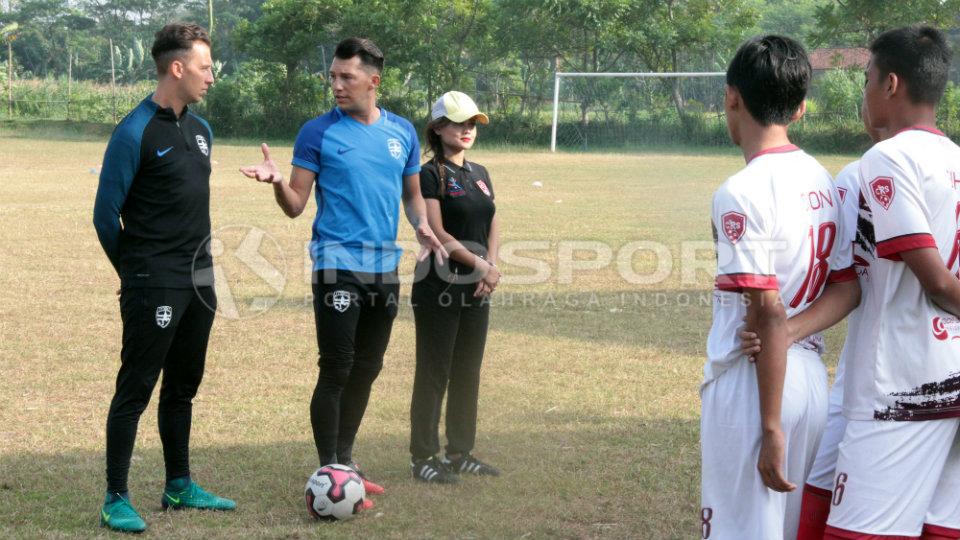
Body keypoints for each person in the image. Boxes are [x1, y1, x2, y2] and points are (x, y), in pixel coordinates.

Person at [239, 37, 446, 499]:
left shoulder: (403, 133)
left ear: (373, 81)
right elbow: (295, 205)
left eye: (346, 77)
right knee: (337, 366)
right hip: (336, 264)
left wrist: (421, 226)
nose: (336, 84)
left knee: (368, 366)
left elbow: (412, 196)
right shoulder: (318, 132)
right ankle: (329, 473)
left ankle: (345, 462)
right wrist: (277, 182)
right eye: (332, 76)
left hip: (384, 269)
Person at [700, 35, 856, 539]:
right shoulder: (822, 179)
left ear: (731, 97)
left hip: (756, 383)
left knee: (738, 529)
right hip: (810, 377)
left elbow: (765, 312)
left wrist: (770, 427)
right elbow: (847, 288)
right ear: (802, 108)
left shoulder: (740, 191)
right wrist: (791, 332)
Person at [92, 22, 234, 534]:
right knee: (136, 388)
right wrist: (136, 274)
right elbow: (106, 218)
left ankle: (179, 485)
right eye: (205, 67)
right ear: (177, 68)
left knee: (183, 388)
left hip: (201, 282)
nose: (211, 78)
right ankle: (115, 497)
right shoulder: (133, 132)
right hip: (155, 283)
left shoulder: (201, 131)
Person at [824, 25, 960, 539]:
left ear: (891, 85)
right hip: (951, 371)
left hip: (902, 385)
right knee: (943, 524)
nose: (864, 91)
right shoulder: (956, 159)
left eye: (866, 79)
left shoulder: (886, 158)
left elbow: (937, 282)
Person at [741, 105, 883, 540]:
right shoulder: (832, 180)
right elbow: (847, 284)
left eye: (867, 81)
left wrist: (779, 329)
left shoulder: (856, 178)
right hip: (844, 376)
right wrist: (787, 332)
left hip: (876, 379)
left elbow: (776, 303)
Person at [408, 91, 501, 483]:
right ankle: (424, 457)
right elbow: (437, 232)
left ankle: (461, 451)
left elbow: (493, 220)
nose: (466, 130)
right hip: (438, 287)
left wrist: (490, 266)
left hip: (476, 287)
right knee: (435, 371)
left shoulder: (480, 173)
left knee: (468, 371)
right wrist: (482, 266)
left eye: (471, 124)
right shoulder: (430, 173)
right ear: (438, 127)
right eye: (459, 123)